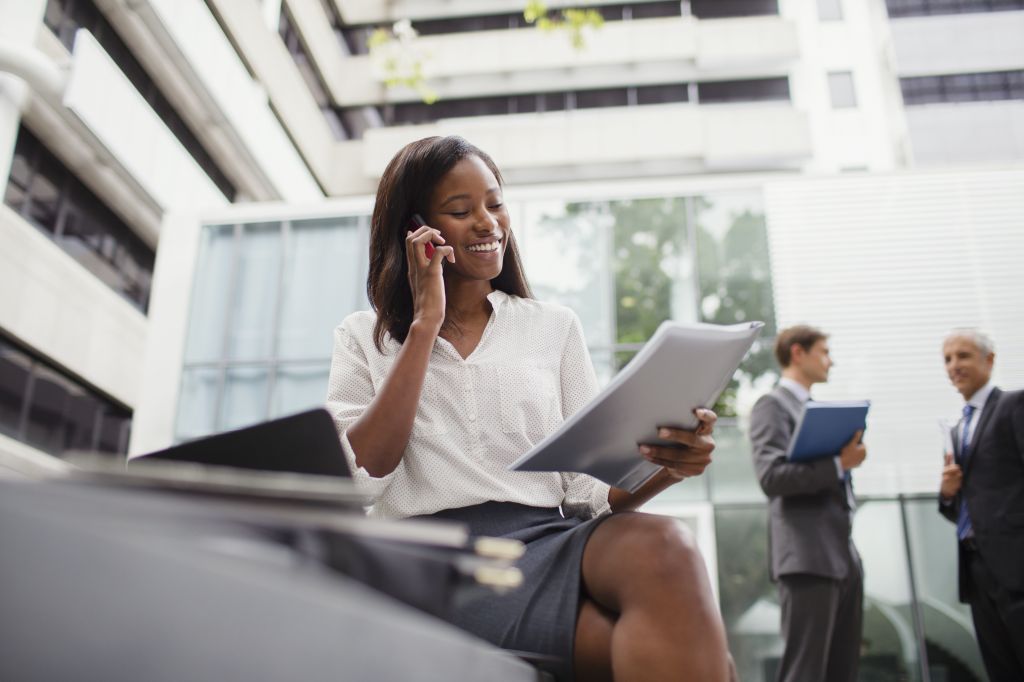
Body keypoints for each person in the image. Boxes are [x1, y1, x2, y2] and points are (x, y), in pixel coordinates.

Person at [325, 135, 731, 681]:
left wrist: (668, 466)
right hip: (438, 558)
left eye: (494, 203)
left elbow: (587, 492)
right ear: (418, 229)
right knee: (667, 653)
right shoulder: (363, 337)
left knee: (667, 546)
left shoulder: (552, 327)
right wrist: (424, 324)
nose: (488, 222)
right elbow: (362, 476)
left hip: (546, 536)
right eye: (461, 211)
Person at [748, 325, 865, 682]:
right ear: (798, 353)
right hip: (806, 556)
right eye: (824, 352)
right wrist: (838, 464)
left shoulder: (817, 409)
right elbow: (771, 477)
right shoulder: (771, 405)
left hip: (843, 554)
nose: (831, 360)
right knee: (807, 670)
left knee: (841, 670)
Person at [938, 329, 1024, 681]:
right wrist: (946, 492)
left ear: (989, 360)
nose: (954, 365)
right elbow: (956, 508)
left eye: (963, 356)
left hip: (1017, 564)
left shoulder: (1014, 405)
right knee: (1001, 668)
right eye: (947, 359)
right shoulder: (958, 429)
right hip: (977, 568)